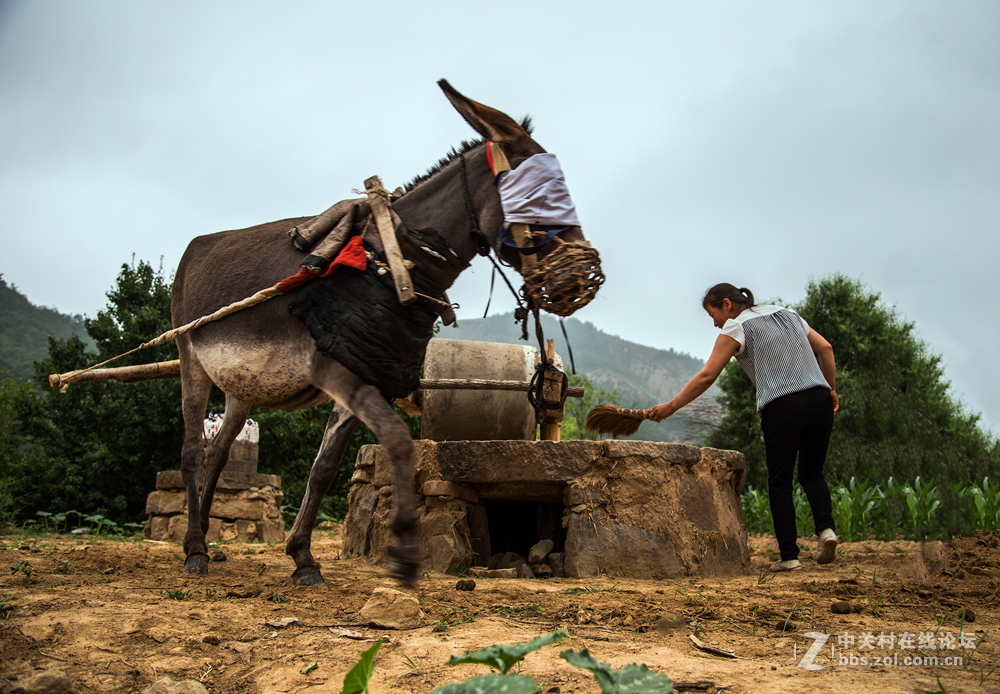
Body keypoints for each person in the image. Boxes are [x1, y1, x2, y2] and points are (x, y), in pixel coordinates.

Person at [647, 283, 839, 572]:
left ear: (727, 304)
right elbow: (825, 348)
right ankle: (827, 531)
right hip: (820, 398)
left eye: (713, 315)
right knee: (812, 472)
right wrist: (832, 389)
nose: (715, 324)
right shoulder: (788, 314)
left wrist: (671, 406)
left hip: (782, 403)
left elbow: (707, 375)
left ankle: (790, 557)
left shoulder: (736, 327)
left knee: (780, 480)